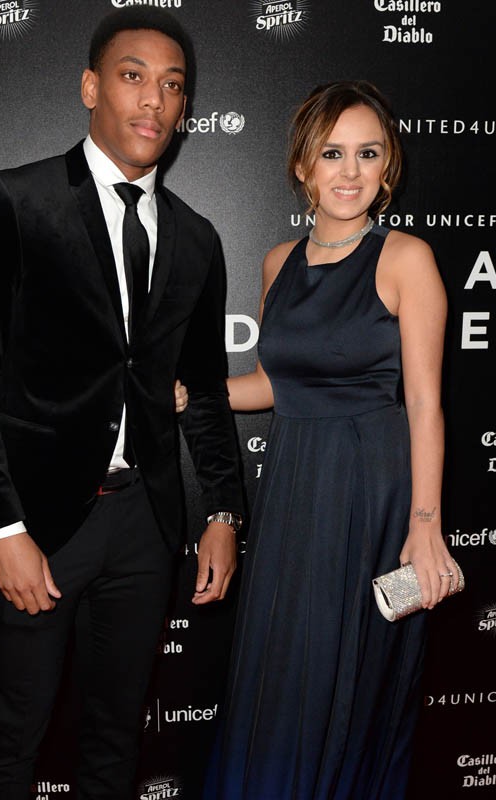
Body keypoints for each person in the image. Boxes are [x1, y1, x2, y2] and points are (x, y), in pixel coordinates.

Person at [0, 8, 244, 799]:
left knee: (116, 737)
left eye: (172, 86)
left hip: (146, 524)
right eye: (133, 76)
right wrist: (2, 528)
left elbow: (205, 388)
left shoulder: (197, 238)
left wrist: (222, 511)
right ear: (90, 87)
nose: (154, 100)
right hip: (38, 523)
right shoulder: (16, 200)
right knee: (14, 735)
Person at [205, 81, 457, 799]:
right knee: (283, 669)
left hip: (369, 492)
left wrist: (425, 525)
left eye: (367, 154)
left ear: (388, 167)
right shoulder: (278, 262)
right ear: (302, 165)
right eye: (332, 153)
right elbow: (273, 384)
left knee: (349, 676)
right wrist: (189, 392)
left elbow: (425, 405)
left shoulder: (405, 258)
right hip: (293, 486)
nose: (350, 172)